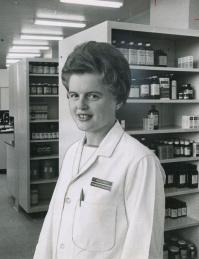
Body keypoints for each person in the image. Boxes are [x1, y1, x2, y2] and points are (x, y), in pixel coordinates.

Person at [33, 42, 165, 259]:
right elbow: (52, 226)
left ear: (119, 99)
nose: (80, 106)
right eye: (74, 95)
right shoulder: (73, 153)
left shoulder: (139, 162)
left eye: (93, 96)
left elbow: (143, 249)